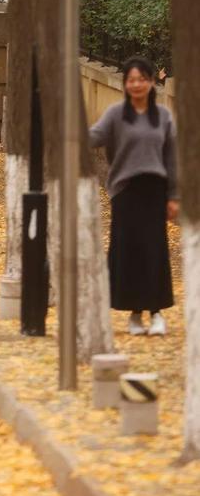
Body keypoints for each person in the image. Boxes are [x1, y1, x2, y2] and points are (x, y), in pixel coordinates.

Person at [89, 56, 179, 337]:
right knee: (128, 251)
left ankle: (156, 312)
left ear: (152, 82)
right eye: (132, 80)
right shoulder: (116, 114)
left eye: (142, 79)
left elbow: (172, 158)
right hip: (125, 192)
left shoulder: (163, 116)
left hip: (154, 190)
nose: (137, 84)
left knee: (154, 249)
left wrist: (174, 196)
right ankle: (134, 314)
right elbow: (93, 137)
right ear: (126, 84)